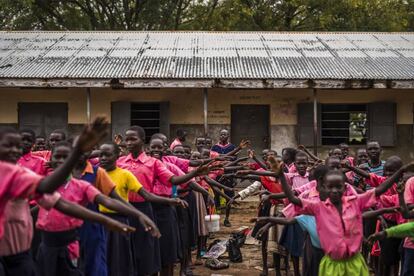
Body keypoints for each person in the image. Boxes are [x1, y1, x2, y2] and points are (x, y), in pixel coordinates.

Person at [0, 117, 109, 275]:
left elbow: (57, 200)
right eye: (8, 145)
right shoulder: (15, 173)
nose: (16, 150)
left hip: (20, 253)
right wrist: (76, 151)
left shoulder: (20, 173)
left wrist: (105, 219)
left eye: (17, 146)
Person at [274, 154, 414, 276]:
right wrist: (281, 176)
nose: (334, 191)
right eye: (330, 187)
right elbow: (293, 199)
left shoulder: (355, 201)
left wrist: (401, 171)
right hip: (331, 264)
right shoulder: (318, 207)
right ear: (323, 187)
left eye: (338, 186)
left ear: (345, 186)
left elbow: (380, 189)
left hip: (354, 262)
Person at [36, 141, 158, 276]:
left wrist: (138, 214)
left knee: (89, 266)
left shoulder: (85, 182)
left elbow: (109, 200)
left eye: (66, 157)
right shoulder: (44, 182)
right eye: (57, 157)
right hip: (49, 242)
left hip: (84, 232)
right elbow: (37, 204)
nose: (61, 161)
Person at [118, 125, 219, 275]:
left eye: (133, 139)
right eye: (127, 140)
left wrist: (194, 174)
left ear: (142, 140)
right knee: (127, 255)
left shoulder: (155, 163)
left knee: (154, 254)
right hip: (124, 211)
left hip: (151, 208)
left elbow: (173, 179)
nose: (129, 143)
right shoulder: (119, 162)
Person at [99, 141, 187, 276]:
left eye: (108, 155)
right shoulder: (99, 173)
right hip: (110, 217)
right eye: (101, 155)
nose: (103, 158)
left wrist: (171, 200)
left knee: (149, 253)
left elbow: (168, 183)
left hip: (147, 209)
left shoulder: (151, 166)